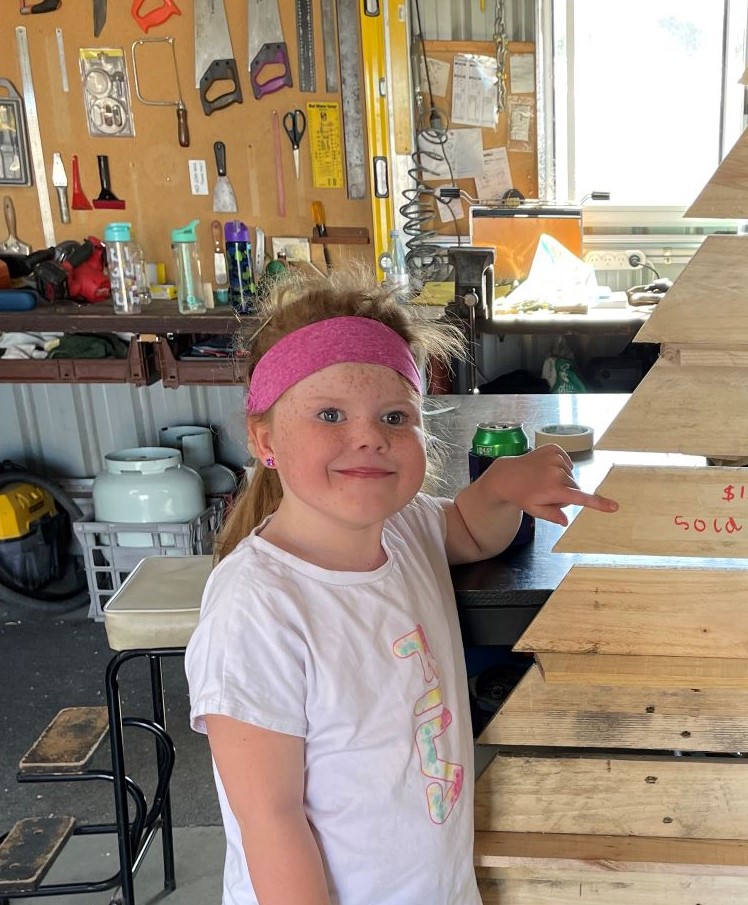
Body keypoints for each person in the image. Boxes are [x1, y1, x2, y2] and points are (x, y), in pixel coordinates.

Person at [185, 268, 617, 905]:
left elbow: (469, 530)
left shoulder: (406, 528)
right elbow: (270, 821)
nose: (369, 435)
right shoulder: (257, 607)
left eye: (395, 416)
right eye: (330, 414)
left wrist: (502, 486)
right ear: (264, 438)